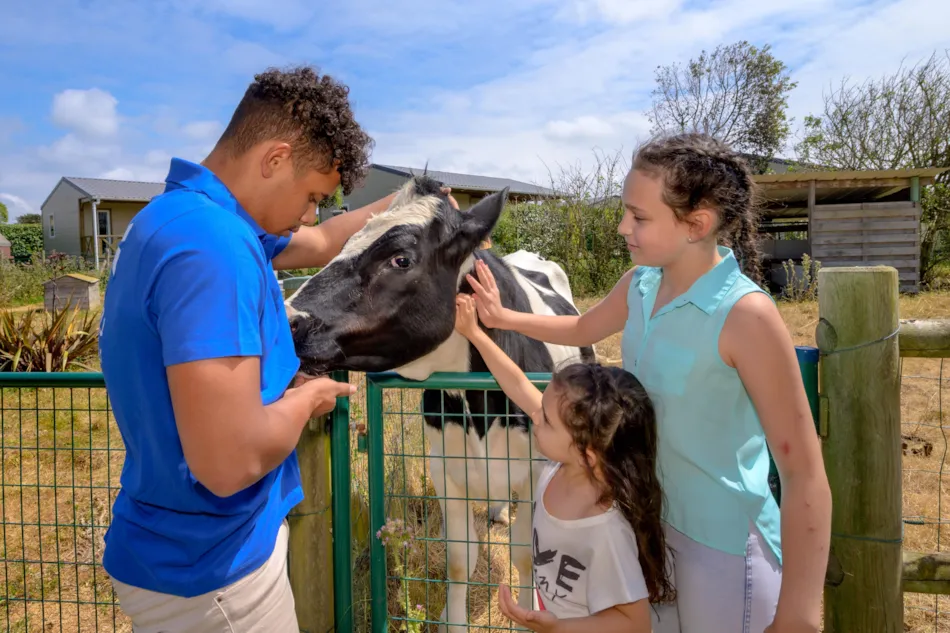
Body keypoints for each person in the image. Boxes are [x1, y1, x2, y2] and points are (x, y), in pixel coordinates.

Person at [97, 65, 436, 633]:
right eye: (311, 196)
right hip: (215, 572)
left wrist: (411, 205)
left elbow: (327, 241)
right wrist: (308, 399)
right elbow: (229, 463)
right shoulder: (214, 250)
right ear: (275, 159)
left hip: (171, 548)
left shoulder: (176, 219)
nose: (310, 214)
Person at [462, 132, 832, 633]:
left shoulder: (746, 315)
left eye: (638, 217)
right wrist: (502, 317)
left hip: (719, 547)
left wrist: (799, 616)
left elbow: (803, 471)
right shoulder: (640, 285)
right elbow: (579, 328)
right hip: (647, 524)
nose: (622, 227)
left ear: (696, 224)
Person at [452, 293, 674, 632]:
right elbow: (516, 383)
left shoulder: (605, 528)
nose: (535, 418)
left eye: (547, 421)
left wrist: (558, 627)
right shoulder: (559, 467)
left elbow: (635, 623)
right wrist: (475, 333)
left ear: (587, 454)